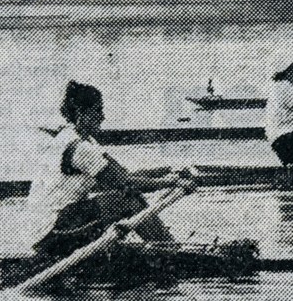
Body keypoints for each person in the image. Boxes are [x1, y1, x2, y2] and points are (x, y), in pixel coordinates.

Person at [27, 81, 193, 262]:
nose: (103, 117)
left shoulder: (74, 138)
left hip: (54, 229)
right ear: (81, 113)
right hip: (52, 235)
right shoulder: (80, 148)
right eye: (98, 111)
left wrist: (168, 173)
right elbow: (127, 183)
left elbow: (124, 175)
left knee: (124, 196)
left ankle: (167, 249)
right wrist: (173, 182)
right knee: (128, 199)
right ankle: (173, 255)